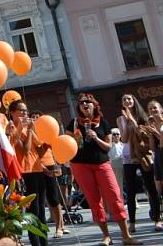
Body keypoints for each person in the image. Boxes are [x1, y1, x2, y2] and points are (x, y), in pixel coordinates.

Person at [66, 92, 141, 245]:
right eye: (81, 103)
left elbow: (108, 147)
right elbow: (69, 146)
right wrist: (76, 137)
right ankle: (106, 236)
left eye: (87, 101)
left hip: (102, 164)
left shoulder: (104, 123)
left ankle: (126, 236)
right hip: (81, 165)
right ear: (79, 107)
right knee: (94, 201)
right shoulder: (73, 123)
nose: (85, 104)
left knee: (115, 197)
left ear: (94, 104)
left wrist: (95, 137)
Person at [117, 93, 161, 233]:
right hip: (129, 157)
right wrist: (125, 123)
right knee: (130, 191)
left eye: (129, 99)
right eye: (124, 99)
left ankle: (157, 220)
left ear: (134, 101)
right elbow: (123, 139)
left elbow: (143, 135)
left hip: (144, 156)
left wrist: (133, 121)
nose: (127, 101)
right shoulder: (120, 119)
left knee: (151, 188)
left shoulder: (143, 117)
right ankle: (132, 223)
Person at [6, 100, 47, 246]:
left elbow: (39, 149)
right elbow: (25, 149)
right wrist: (28, 130)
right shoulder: (12, 127)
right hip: (25, 171)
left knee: (41, 209)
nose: (25, 113)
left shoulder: (28, 127)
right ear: (12, 113)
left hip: (37, 170)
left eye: (26, 110)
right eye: (21, 110)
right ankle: (35, 242)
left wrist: (48, 141)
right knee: (32, 211)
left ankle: (44, 241)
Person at [29, 110, 66, 238]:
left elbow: (56, 148)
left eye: (37, 117)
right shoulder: (29, 133)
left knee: (54, 198)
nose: (35, 119)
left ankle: (60, 227)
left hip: (49, 165)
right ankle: (50, 225)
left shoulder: (48, 132)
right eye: (33, 117)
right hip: (36, 167)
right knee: (42, 199)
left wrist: (57, 164)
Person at [145, 100, 163, 214]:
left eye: (155, 108)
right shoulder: (151, 125)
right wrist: (151, 134)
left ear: (161, 109)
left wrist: (156, 132)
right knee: (158, 185)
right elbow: (152, 147)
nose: (153, 110)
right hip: (158, 156)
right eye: (150, 109)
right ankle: (157, 211)